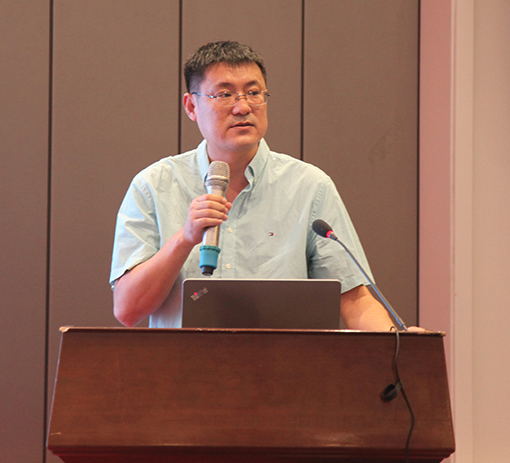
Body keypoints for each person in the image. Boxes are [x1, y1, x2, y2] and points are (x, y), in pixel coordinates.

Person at [110, 41, 396, 331]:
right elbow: (128, 310)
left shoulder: (310, 186)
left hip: (283, 360)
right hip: (185, 361)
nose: (243, 107)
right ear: (191, 106)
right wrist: (184, 239)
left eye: (254, 93)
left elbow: (354, 300)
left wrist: (401, 343)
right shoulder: (153, 186)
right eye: (225, 94)